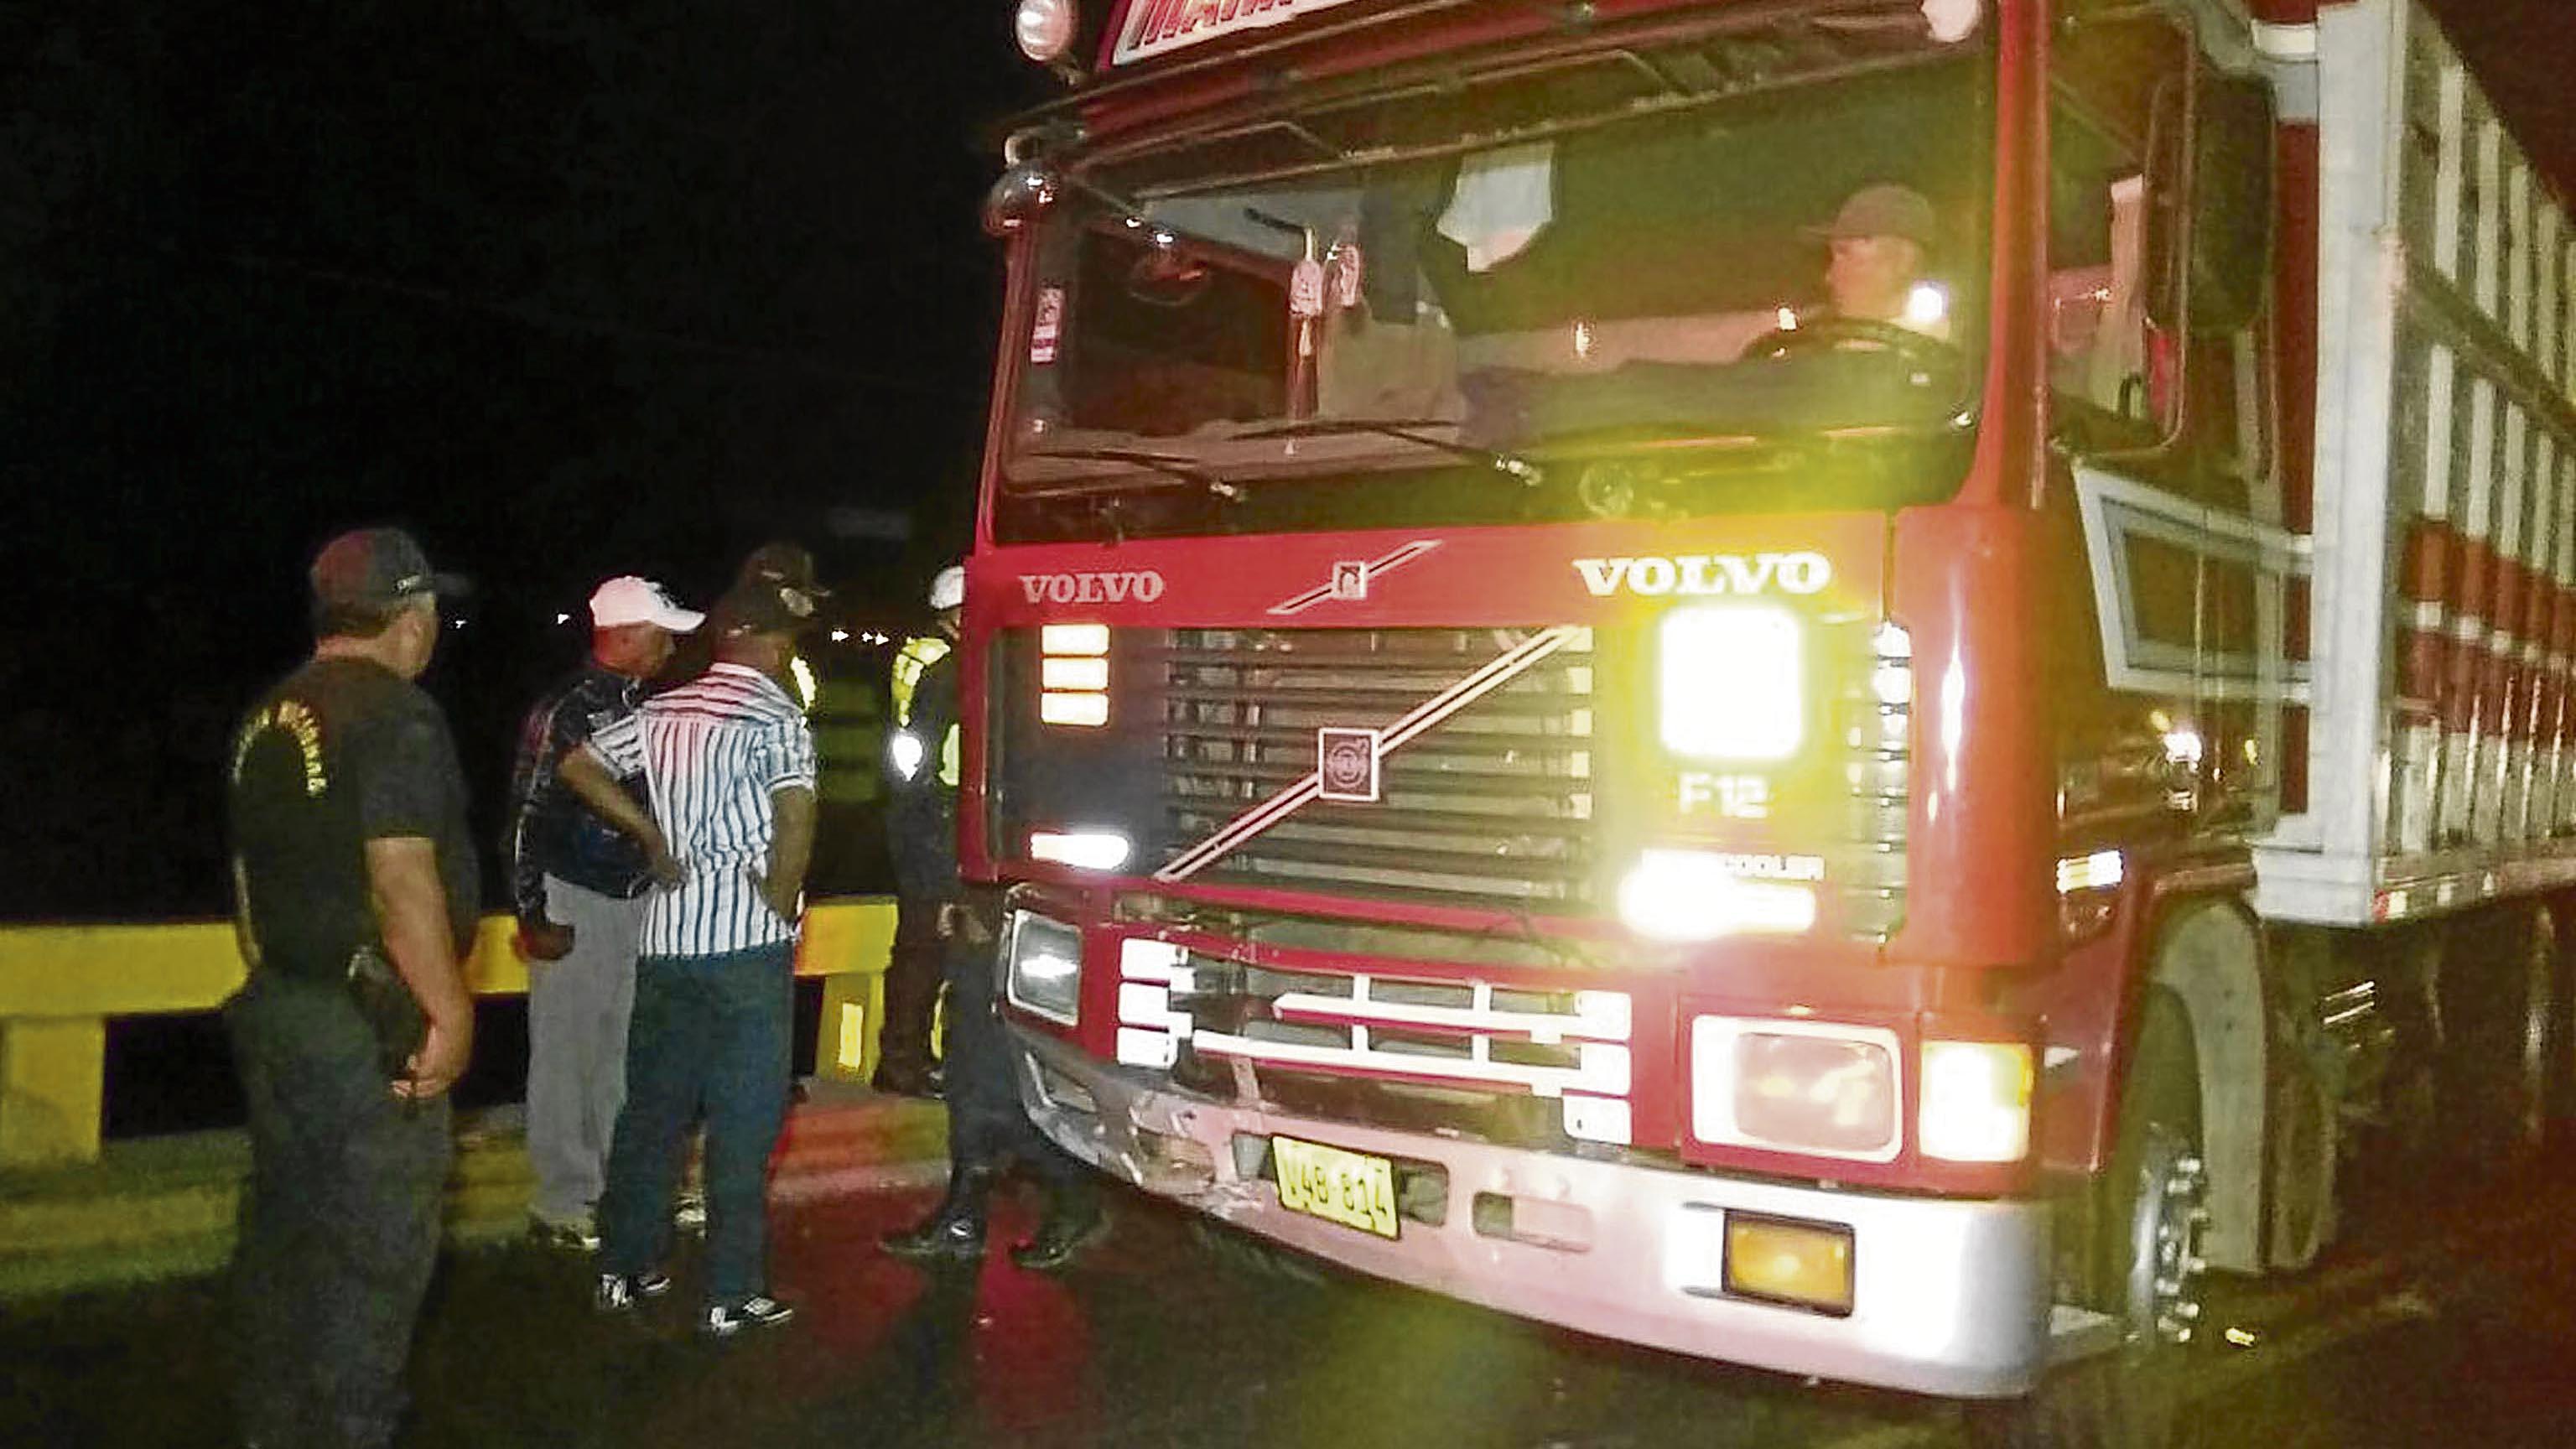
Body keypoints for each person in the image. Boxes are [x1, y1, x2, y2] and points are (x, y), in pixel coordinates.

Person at [222, 527, 477, 1449]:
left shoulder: (271, 714)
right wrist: (446, 1017)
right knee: (374, 1263)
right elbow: (400, 874)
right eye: (431, 612)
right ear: (410, 618)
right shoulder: (396, 715)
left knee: (289, 1238)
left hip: (281, 1008)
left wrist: (276, 978)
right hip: (367, 1029)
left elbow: (252, 879)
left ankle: (273, 1426)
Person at [559, 543, 823, 1338]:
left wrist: (648, 833)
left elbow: (577, 765)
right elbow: (796, 818)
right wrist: (777, 907)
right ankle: (732, 1290)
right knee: (745, 1123)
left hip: (667, 941)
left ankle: (624, 1267)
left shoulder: (664, 709)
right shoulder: (778, 716)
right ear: (773, 644)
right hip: (746, 948)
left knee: (653, 1114)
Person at [880, 564, 1106, 1275]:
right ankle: (977, 1205)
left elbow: (918, 796)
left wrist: (941, 891)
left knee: (987, 1053)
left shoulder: (954, 679)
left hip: (981, 899)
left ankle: (1053, 1194)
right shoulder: (1029, 672)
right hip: (1023, 900)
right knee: (998, 1054)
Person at [504, 574, 704, 1251]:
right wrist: (531, 911)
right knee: (567, 1051)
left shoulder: (655, 704)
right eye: (662, 633)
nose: (672, 648)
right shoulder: (562, 711)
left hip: (640, 897)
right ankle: (562, 1199)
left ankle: (633, 1181)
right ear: (621, 634)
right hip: (575, 895)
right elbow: (526, 817)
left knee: (633, 1049)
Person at [874, 564, 965, 1098]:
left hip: (916, 814)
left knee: (918, 943)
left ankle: (906, 1057)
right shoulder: (947, 667)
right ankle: (905, 1062)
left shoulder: (918, 653)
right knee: (928, 946)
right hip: (937, 816)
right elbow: (931, 747)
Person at [1803, 182, 1949, 339]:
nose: (1829, 278)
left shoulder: (1947, 355)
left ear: (1904, 260)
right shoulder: (1814, 342)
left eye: (1845, 253)